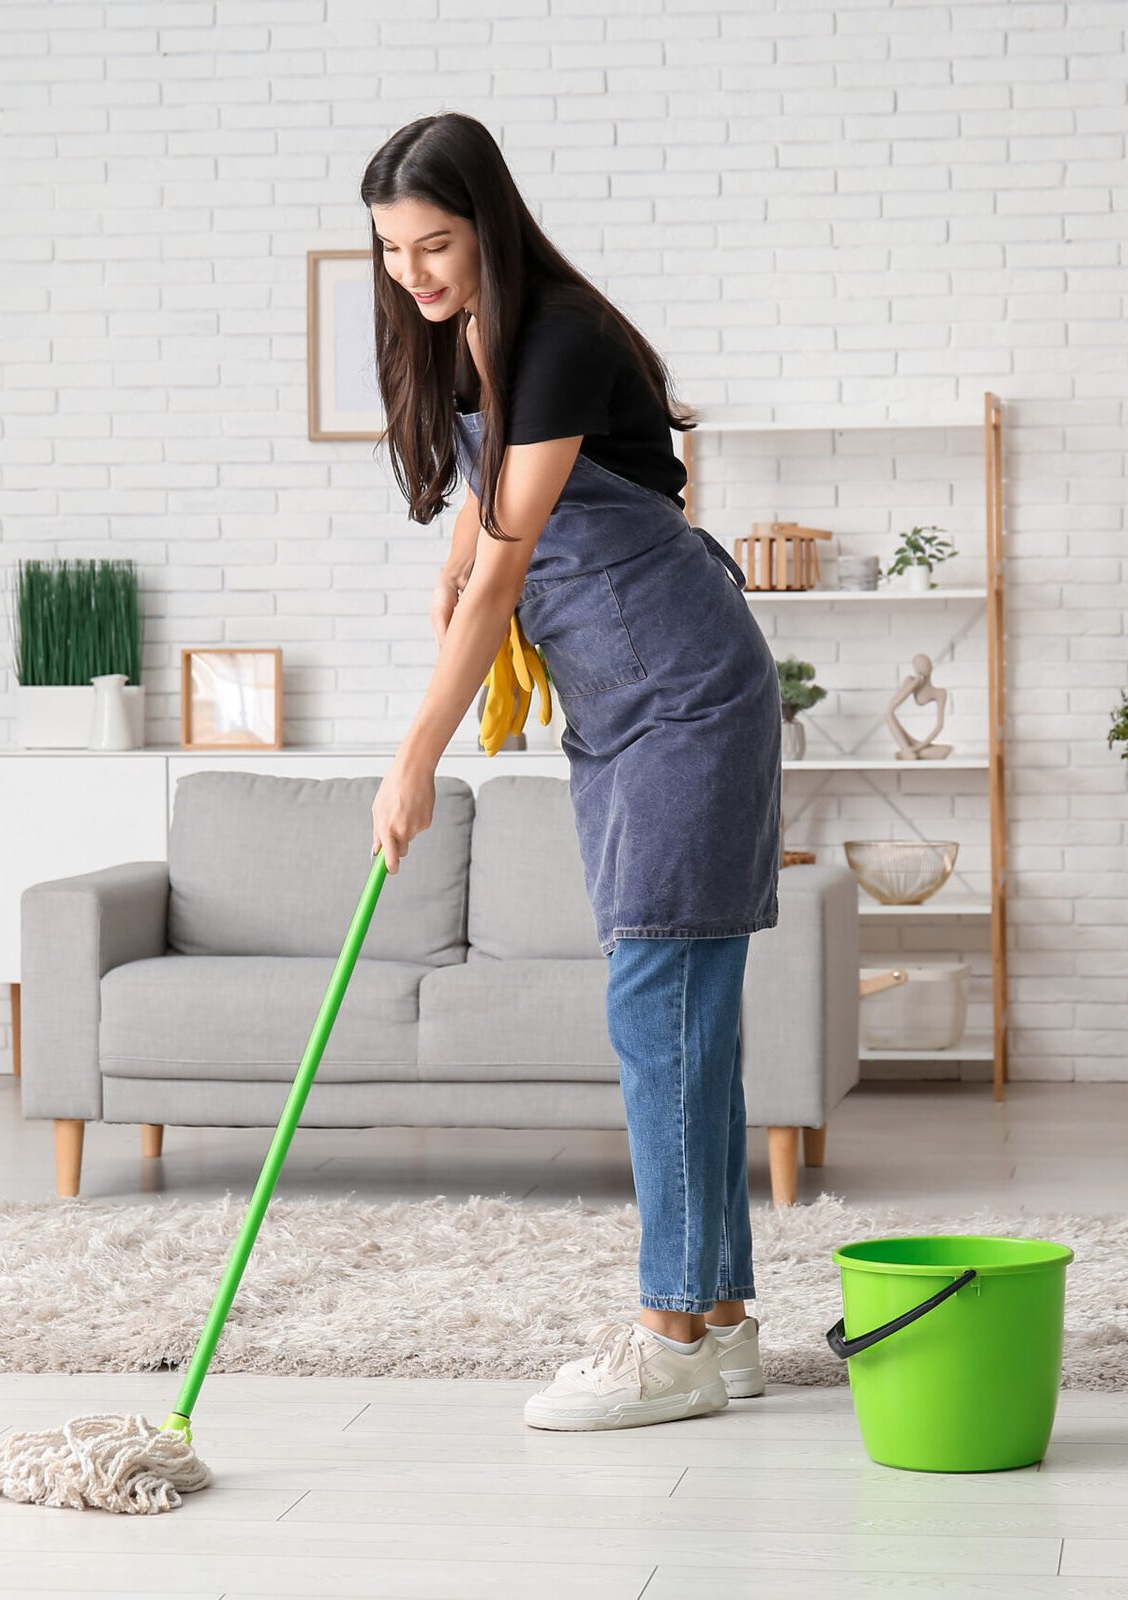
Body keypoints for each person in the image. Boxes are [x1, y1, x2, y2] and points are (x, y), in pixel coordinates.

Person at [360, 113, 782, 1432]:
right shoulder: (479, 344)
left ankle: (665, 1334)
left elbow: (506, 566)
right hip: (617, 712)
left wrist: (413, 756)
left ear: (487, 223)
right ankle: (716, 1327)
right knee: (685, 1023)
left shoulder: (560, 339)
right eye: (391, 252)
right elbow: (471, 548)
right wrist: (448, 605)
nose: (414, 274)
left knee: (659, 1009)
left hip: (688, 696)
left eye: (435, 243)